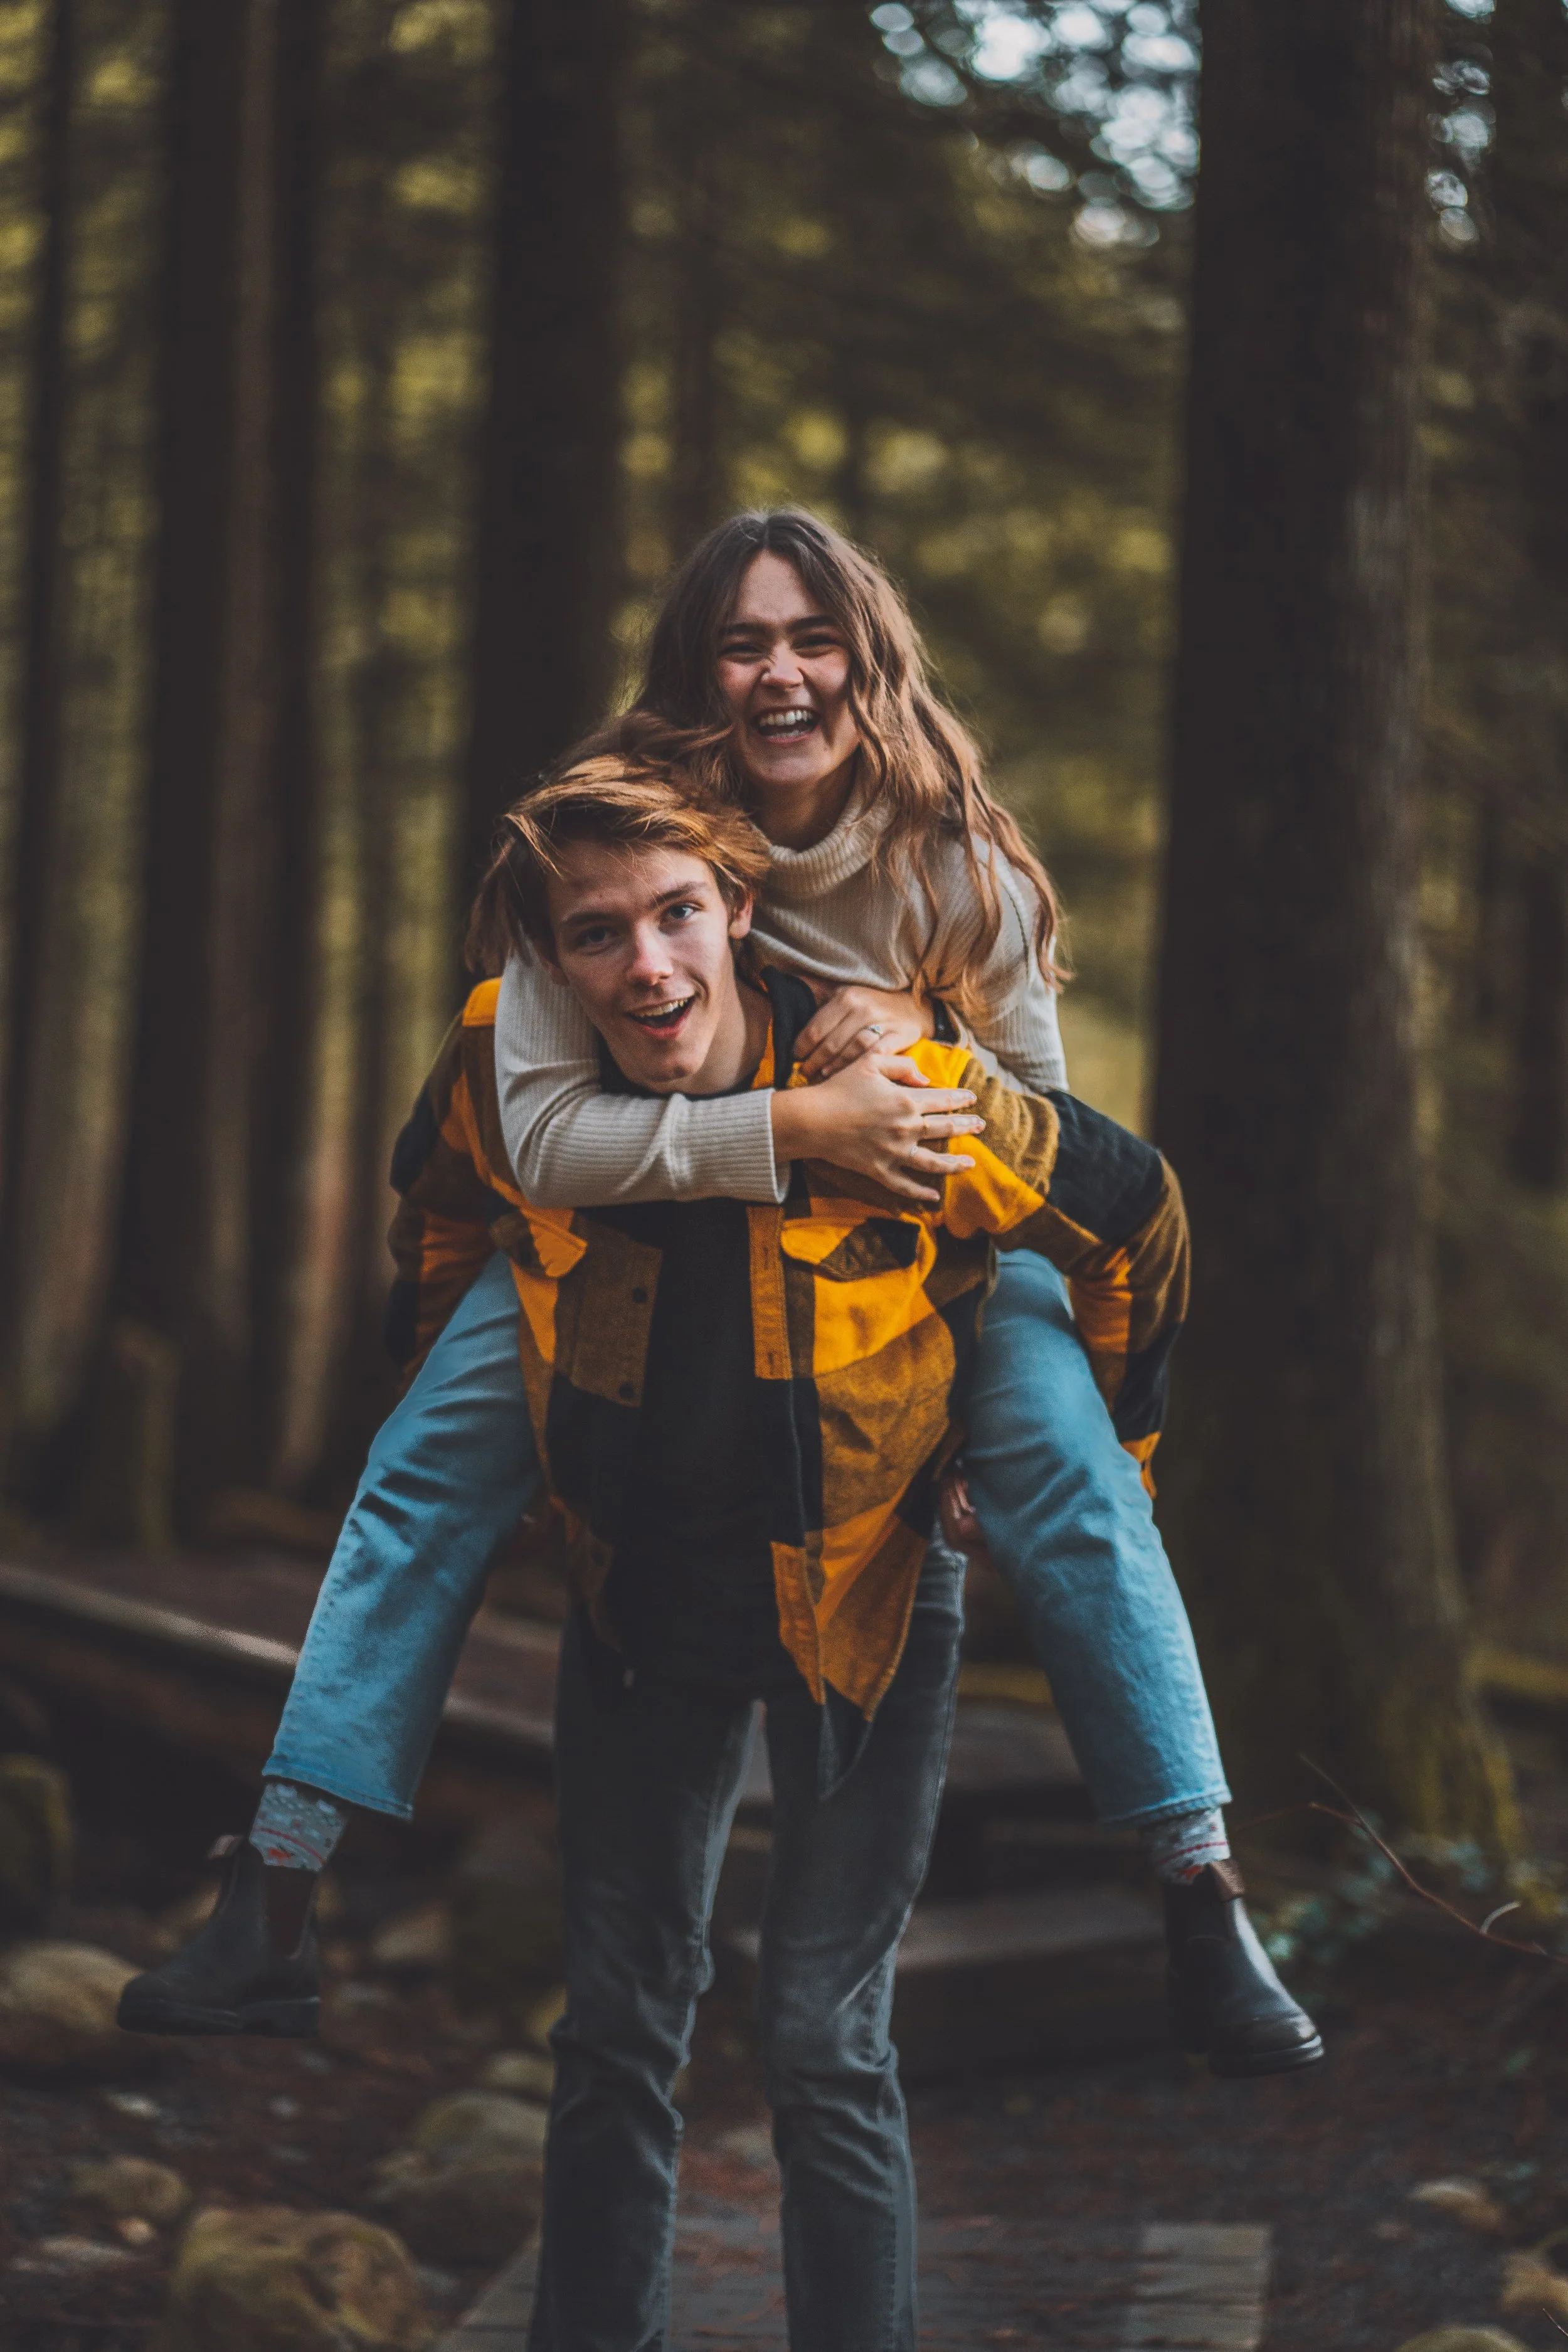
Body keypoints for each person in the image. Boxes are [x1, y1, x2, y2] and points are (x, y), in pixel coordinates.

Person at [120, 509, 1319, 2082]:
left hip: (918, 1258)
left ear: (867, 661)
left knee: (1080, 1475)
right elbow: (540, 1138)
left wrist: (926, 1047)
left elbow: (1037, 1136)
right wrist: (796, 1123)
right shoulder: (603, 839)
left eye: (813, 639)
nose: (781, 674)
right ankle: (274, 1886)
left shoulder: (960, 868)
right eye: (742, 644)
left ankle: (1197, 1892)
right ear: (696, 672)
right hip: (634, 1237)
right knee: (422, 1464)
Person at [135, 765, 1202, 2351]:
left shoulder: (892, 1080)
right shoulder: (517, 1072)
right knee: (615, 2034)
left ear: (740, 912)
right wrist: (493, 1435)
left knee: (826, 2046)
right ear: (550, 964)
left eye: (676, 916)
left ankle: (1195, 1893)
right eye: (597, 934)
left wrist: (1078, 1445)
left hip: (869, 1613)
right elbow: (436, 1206)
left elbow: (1130, 1216)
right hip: (638, 1612)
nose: (645, 964)